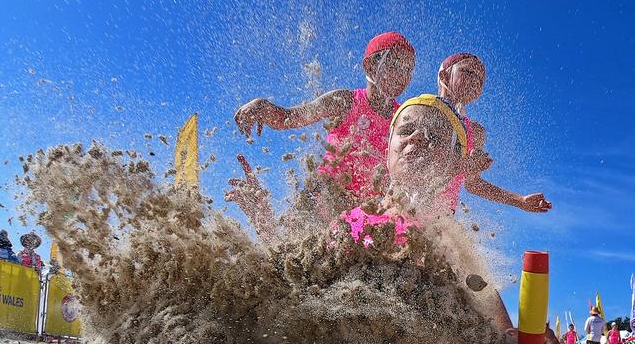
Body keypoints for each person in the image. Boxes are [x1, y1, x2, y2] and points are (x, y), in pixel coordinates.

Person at [227, 94, 560, 343]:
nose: (417, 138)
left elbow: (497, 328)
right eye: (407, 131)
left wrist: (523, 338)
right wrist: (262, 219)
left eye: (434, 137)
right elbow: (295, 275)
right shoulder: (352, 219)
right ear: (387, 149)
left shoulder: (451, 239)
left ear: (452, 165)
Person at [234, 31, 416, 199]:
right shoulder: (345, 101)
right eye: (395, 64)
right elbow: (289, 118)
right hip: (326, 195)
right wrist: (263, 107)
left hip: (367, 208)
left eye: (408, 69)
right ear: (369, 67)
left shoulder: (402, 117)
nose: (403, 75)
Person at [437, 53, 552, 213]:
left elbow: (473, 184)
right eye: (468, 72)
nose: (474, 81)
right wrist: (461, 166)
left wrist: (520, 201)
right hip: (408, 205)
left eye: (480, 80)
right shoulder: (426, 110)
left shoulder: (475, 132)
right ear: (444, 75)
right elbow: (417, 165)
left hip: (442, 218)